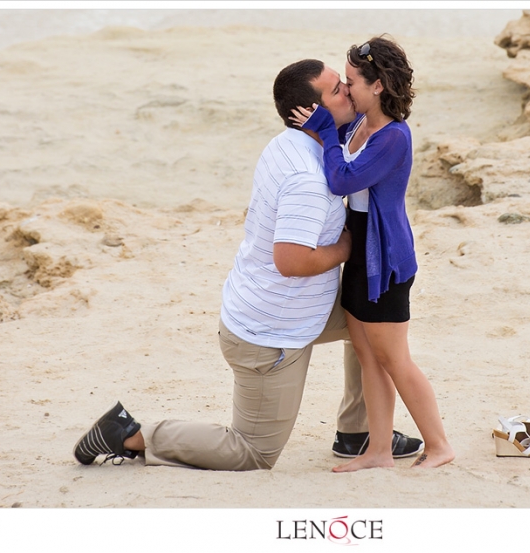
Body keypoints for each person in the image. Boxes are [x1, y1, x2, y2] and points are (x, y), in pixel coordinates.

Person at [73, 59, 423, 471]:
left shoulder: (292, 142)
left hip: (297, 303)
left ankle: (356, 433)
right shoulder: (308, 178)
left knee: (369, 324)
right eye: (337, 90)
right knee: (252, 452)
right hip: (272, 331)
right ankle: (131, 434)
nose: (348, 90)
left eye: (346, 84)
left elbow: (366, 142)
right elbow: (292, 261)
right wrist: (348, 247)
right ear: (311, 114)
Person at [290, 36, 455, 471]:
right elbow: (326, 149)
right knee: (368, 358)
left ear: (377, 85)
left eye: (351, 82)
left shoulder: (393, 137)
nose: (346, 90)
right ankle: (379, 451)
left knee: (395, 360)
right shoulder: (358, 125)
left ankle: (439, 446)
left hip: (386, 257)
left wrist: (326, 131)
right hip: (359, 250)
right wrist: (312, 121)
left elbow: (342, 180)